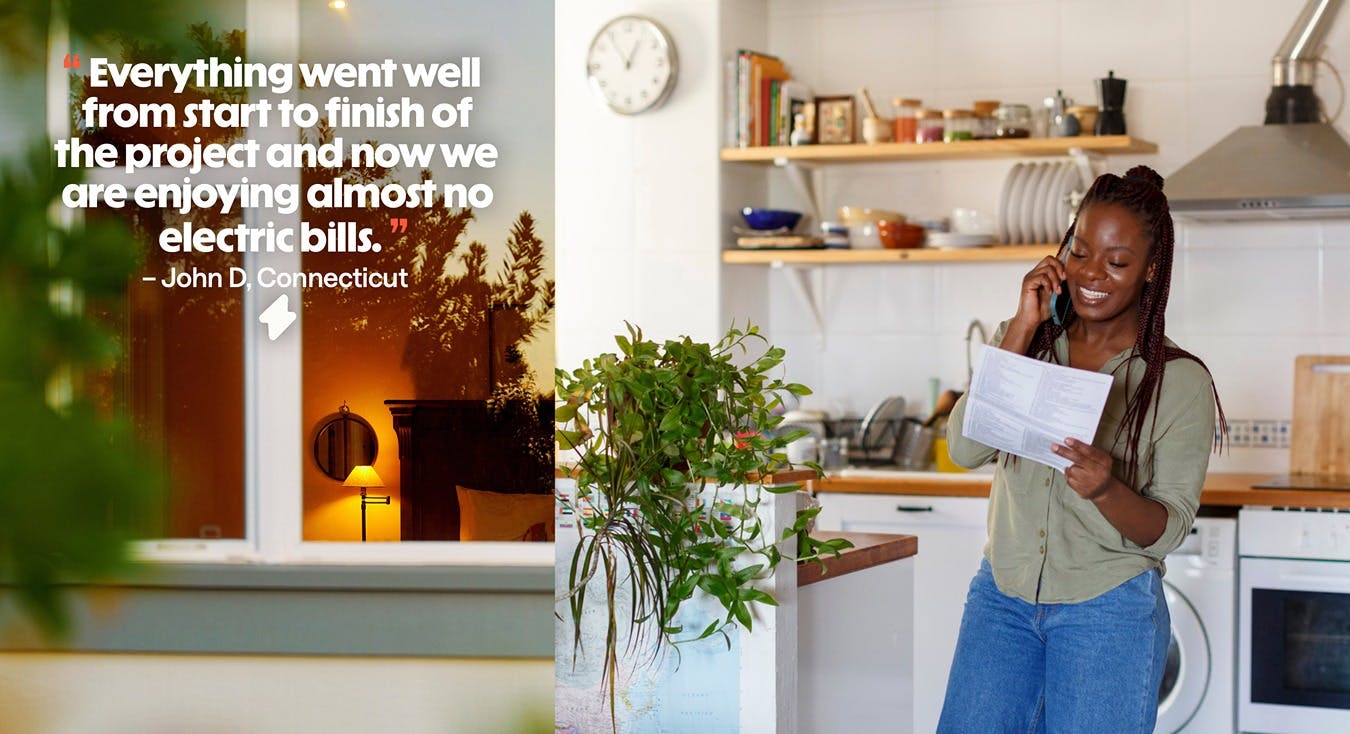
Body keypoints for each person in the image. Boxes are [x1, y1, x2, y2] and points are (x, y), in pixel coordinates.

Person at [936, 165, 1225, 733]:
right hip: (1002, 600)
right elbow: (964, 450)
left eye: (1117, 262)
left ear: (1150, 270)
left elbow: (1167, 529)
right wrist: (1021, 327)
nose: (1093, 273)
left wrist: (1106, 488)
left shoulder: (1179, 380)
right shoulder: (1027, 342)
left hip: (1108, 611)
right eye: (1081, 251)